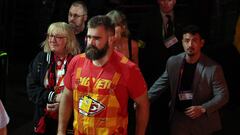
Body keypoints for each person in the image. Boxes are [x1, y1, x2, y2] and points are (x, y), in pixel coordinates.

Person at [57, 15, 149, 135]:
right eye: (89, 37)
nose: (91, 42)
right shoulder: (77, 62)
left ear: (111, 39)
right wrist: (60, 131)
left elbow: (143, 104)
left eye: (97, 38)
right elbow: (67, 96)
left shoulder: (128, 68)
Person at [148, 25, 229, 135]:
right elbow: (160, 84)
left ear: (202, 43)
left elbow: (223, 96)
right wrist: (144, 100)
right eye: (187, 41)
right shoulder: (173, 62)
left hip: (203, 123)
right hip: (179, 120)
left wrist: (203, 108)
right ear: (182, 42)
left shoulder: (213, 68)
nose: (190, 45)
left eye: (194, 41)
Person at [138, 0, 194, 134]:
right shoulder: (148, 18)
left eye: (169, 0)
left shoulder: (184, 17)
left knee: (181, 107)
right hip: (156, 71)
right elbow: (141, 44)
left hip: (180, 69)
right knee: (158, 109)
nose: (166, 3)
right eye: (162, 0)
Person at [26, 22, 80, 135]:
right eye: (50, 35)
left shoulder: (78, 61)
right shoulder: (41, 58)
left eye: (58, 37)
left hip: (70, 120)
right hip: (43, 119)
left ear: (68, 40)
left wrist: (63, 104)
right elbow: (31, 89)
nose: (52, 40)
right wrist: (54, 97)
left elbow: (82, 93)